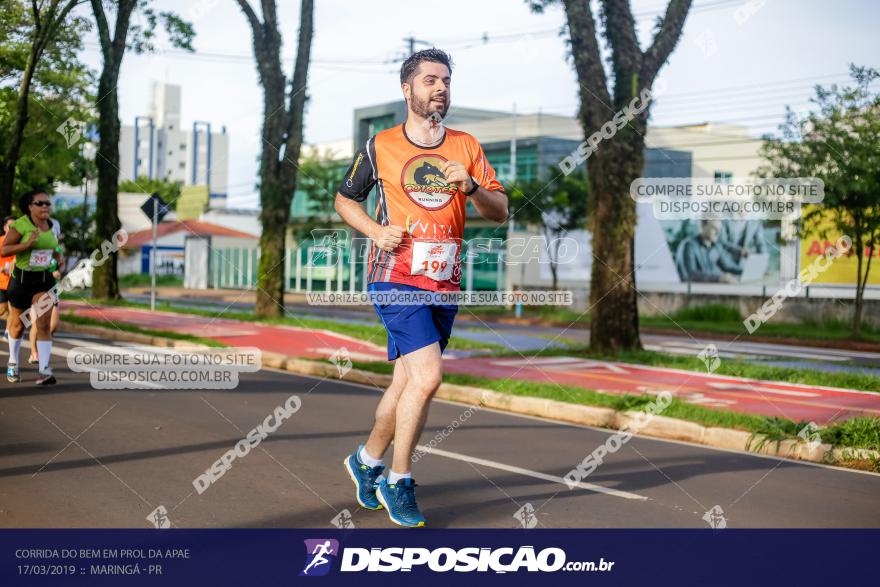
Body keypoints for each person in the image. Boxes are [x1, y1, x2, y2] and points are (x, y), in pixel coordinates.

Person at [335, 48, 508, 527]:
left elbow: (500, 210)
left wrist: (472, 188)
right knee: (428, 377)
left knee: (407, 380)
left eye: (446, 80)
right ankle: (399, 479)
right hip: (394, 275)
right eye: (430, 80)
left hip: (444, 281)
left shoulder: (467, 146)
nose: (441, 88)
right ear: (407, 89)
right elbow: (345, 199)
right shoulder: (381, 145)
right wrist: (373, 230)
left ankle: (366, 462)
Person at [1, 190, 62, 385]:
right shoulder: (21, 224)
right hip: (21, 282)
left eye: (47, 203)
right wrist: (27, 244)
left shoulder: (53, 225)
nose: (45, 206)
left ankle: (44, 369)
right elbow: (4, 250)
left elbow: (54, 248)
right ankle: (13, 362)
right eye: (40, 203)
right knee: (18, 326)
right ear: (30, 206)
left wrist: (57, 258)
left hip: (44, 281)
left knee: (43, 324)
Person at [675, 219, 742, 283]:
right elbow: (690, 275)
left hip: (709, 290)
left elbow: (728, 266)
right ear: (703, 225)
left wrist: (747, 271)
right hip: (691, 292)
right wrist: (719, 278)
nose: (718, 233)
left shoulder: (715, 246)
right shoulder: (689, 246)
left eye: (719, 230)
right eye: (714, 229)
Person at [29, 242, 63, 365]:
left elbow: (59, 266)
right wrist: (49, 273)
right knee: (36, 324)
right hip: (36, 289)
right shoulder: (37, 247)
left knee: (53, 325)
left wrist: (58, 272)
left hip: (52, 289)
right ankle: (34, 352)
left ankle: (40, 346)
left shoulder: (58, 249)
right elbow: (31, 269)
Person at [0, 216, 17, 324]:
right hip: (1, 281)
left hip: (14, 281)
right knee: (2, 309)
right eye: (10, 226)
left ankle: (9, 332)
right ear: (5, 227)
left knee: (14, 310)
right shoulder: (0, 241)